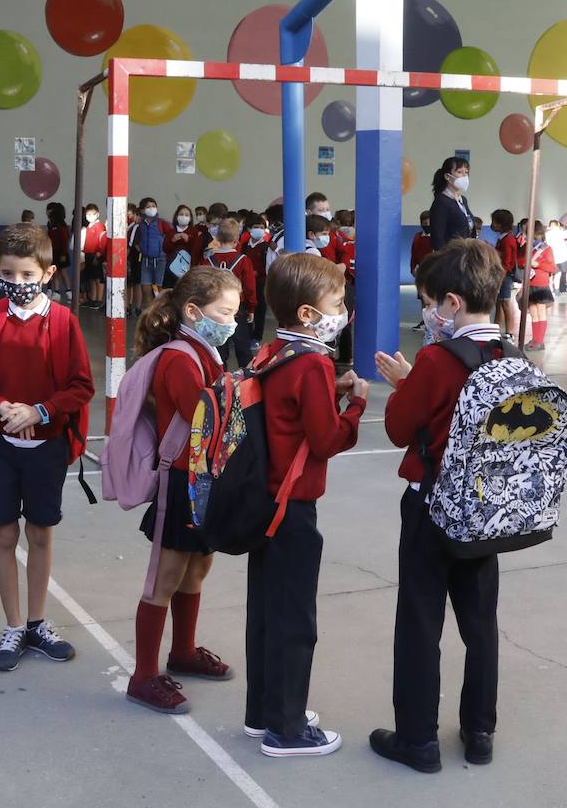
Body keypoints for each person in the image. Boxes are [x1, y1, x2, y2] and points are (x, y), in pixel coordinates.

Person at [369, 239, 510, 774]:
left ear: (452, 303)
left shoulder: (436, 358)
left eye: (430, 301)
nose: (426, 311)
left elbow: (399, 427)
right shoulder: (509, 354)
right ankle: (480, 731)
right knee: (481, 623)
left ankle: (418, 740)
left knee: (421, 621)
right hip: (490, 509)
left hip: (433, 507)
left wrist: (407, 384)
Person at [0, 223, 95, 671]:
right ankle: (13, 625)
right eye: (9, 275)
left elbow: (81, 386)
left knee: (39, 533)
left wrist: (40, 411)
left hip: (46, 446)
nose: (17, 284)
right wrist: (1, 406)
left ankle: (37, 622)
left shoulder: (64, 323)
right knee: (4, 533)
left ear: (48, 273)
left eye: (27, 275)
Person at [247, 252, 367, 758]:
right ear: (307, 314)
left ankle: (265, 711)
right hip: (294, 508)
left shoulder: (270, 353)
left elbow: (287, 416)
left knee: (266, 613)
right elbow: (324, 440)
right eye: (336, 302)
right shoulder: (314, 362)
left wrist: (328, 394)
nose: (343, 310)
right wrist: (355, 402)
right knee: (297, 619)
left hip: (262, 502)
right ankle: (289, 729)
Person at [127, 266, 239, 715]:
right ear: (193, 312)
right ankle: (143, 676)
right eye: (225, 312)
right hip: (182, 479)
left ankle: (184, 652)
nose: (233, 320)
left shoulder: (206, 351)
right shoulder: (180, 357)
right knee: (164, 579)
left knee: (197, 569)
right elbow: (204, 419)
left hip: (206, 478)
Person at [205, 218, 257, 368]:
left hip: (215, 309)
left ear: (218, 238)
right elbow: (249, 287)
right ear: (236, 240)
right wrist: (251, 307)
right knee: (243, 346)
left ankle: (220, 380)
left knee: (220, 347)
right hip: (237, 308)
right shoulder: (243, 260)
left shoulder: (208, 260)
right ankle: (247, 381)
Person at [320, 211, 357, 367]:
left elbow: (345, 256)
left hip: (338, 283)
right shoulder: (340, 238)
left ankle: (335, 355)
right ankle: (337, 355)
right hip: (339, 282)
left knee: (339, 321)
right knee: (341, 321)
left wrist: (341, 266)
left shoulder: (338, 237)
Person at [427, 157, 473, 250]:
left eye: (466, 172)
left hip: (465, 255)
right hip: (451, 258)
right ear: (447, 176)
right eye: (459, 172)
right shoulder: (441, 202)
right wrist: (446, 259)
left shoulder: (463, 200)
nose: (464, 176)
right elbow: (437, 239)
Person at [490, 210, 521, 340]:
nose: (492, 225)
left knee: (505, 303)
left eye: (494, 222)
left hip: (505, 275)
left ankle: (510, 332)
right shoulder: (503, 238)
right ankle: (496, 328)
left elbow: (507, 262)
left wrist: (500, 277)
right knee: (499, 302)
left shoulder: (507, 240)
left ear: (501, 224)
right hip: (502, 274)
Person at [135, 197, 172, 302]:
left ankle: (163, 312)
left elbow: (171, 235)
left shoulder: (162, 223)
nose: (151, 208)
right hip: (146, 260)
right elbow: (136, 240)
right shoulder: (140, 225)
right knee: (145, 288)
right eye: (148, 207)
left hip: (160, 259)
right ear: (142, 210)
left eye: (153, 206)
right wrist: (141, 250)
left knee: (160, 289)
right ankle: (151, 312)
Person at [243, 213, 272, 348]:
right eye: (256, 227)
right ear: (249, 229)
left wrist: (258, 272)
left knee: (260, 308)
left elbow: (268, 265)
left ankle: (256, 336)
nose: (259, 229)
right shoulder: (244, 246)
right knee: (247, 307)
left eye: (261, 227)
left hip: (261, 282)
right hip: (245, 282)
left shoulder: (266, 247)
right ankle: (246, 333)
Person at [525, 223, 555, 350]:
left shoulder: (547, 249)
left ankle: (540, 340)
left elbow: (552, 267)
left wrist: (537, 264)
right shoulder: (529, 248)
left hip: (541, 285)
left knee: (541, 312)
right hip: (530, 284)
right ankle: (535, 338)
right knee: (533, 313)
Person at [163, 204, 198, 291]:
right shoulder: (171, 231)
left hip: (187, 267)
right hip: (172, 268)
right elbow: (165, 248)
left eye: (186, 215)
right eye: (181, 214)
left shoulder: (194, 231)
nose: (183, 217)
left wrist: (189, 240)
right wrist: (172, 241)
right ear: (176, 216)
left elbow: (196, 249)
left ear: (190, 218)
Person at [80, 203, 107, 309]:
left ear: (97, 214)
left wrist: (98, 255)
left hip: (96, 254)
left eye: (92, 214)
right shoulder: (89, 226)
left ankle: (99, 300)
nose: (90, 216)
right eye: (88, 214)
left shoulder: (99, 226)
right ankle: (93, 299)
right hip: (88, 254)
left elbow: (101, 241)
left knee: (98, 278)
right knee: (91, 278)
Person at [45, 202, 71, 300]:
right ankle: (56, 292)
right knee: (55, 272)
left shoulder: (61, 226)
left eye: (49, 210)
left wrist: (64, 253)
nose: (47, 212)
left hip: (61, 252)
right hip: (53, 252)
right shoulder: (50, 224)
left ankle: (69, 292)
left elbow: (64, 240)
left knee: (63, 273)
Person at [546, 221, 567, 294]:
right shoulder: (560, 232)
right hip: (563, 256)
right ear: (558, 225)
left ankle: (556, 290)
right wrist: (561, 229)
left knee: (557, 274)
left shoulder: (546, 234)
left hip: (553, 258)